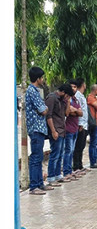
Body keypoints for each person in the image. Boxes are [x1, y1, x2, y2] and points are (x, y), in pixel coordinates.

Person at [25, 67, 49, 195]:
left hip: (39, 129)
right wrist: (44, 109)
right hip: (35, 128)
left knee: (39, 157)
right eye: (42, 77)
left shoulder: (36, 91)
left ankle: (40, 183)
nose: (43, 80)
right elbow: (43, 110)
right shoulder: (32, 91)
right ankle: (34, 186)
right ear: (38, 78)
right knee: (35, 157)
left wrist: (44, 109)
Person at [45, 83, 74, 185]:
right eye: (67, 95)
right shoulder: (52, 98)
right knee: (55, 154)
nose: (67, 98)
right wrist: (53, 131)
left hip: (62, 130)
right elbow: (48, 116)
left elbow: (66, 113)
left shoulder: (63, 100)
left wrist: (68, 101)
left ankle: (57, 175)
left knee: (60, 153)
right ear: (62, 92)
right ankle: (51, 177)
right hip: (56, 130)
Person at [63, 79, 83, 181]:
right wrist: (76, 111)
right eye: (72, 87)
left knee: (72, 150)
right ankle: (66, 172)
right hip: (68, 129)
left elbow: (81, 113)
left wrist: (75, 110)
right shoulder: (67, 99)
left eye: (75, 87)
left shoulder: (76, 100)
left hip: (75, 128)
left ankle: (69, 171)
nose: (73, 89)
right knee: (68, 150)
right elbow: (68, 112)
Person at [72, 78, 89, 174]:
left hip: (84, 124)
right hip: (80, 125)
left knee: (82, 146)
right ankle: (76, 166)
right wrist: (80, 124)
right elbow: (78, 109)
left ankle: (80, 165)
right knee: (78, 146)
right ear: (83, 84)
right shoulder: (77, 96)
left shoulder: (81, 96)